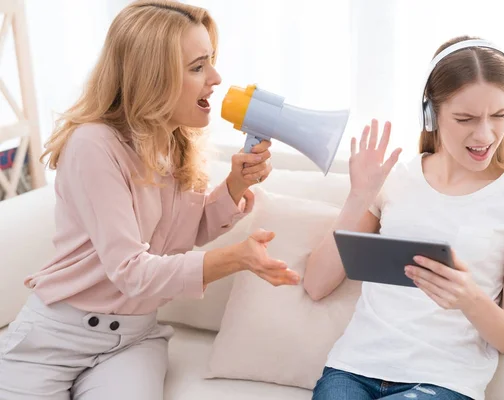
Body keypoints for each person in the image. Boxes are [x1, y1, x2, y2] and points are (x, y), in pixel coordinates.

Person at [0, 1, 300, 399]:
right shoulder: (95, 144)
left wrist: (233, 186)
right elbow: (131, 271)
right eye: (197, 67)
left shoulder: (176, 142)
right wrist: (235, 258)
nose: (215, 77)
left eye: (210, 60)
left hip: (134, 340)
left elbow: (182, 234)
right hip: (55, 337)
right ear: (152, 78)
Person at [304, 36, 504, 400]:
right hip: (354, 369)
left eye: (499, 116)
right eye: (465, 118)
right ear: (430, 114)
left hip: (443, 382)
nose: (485, 134)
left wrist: (468, 297)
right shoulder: (395, 179)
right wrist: (359, 196)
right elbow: (316, 284)